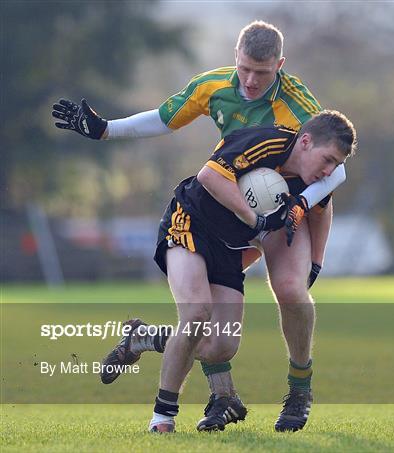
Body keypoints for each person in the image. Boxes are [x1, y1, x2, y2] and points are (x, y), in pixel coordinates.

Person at [51, 21, 348, 432]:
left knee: (291, 291)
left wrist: (301, 210)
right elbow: (164, 119)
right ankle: (217, 394)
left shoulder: (299, 106)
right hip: (228, 208)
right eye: (244, 68)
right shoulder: (213, 86)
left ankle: (299, 391)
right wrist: (105, 130)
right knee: (208, 323)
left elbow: (335, 170)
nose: (250, 80)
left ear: (280, 66)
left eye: (262, 73)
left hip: (280, 209)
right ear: (235, 57)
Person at [150, 110, 355, 432]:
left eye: (335, 165)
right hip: (192, 222)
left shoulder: (318, 176)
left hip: (231, 247)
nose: (329, 170)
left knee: (222, 345)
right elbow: (209, 177)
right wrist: (254, 219)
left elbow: (321, 208)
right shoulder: (263, 141)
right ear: (305, 141)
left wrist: (316, 261)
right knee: (196, 314)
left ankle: (299, 391)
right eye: (327, 159)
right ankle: (162, 417)